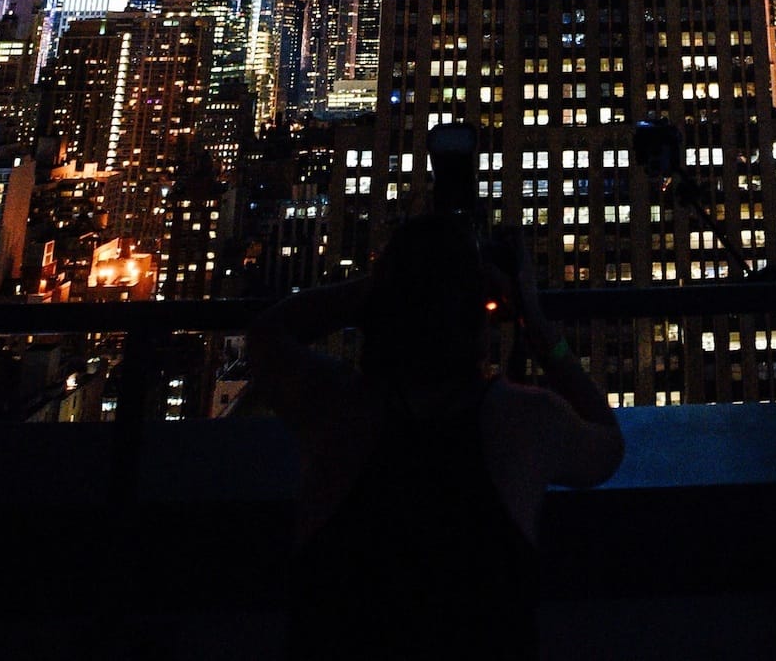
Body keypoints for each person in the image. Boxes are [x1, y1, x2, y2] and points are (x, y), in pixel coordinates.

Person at [244, 211, 625, 659]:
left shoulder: (335, 407)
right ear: (476, 322)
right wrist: (537, 326)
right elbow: (608, 442)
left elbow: (268, 333)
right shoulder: (525, 420)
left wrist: (387, 283)